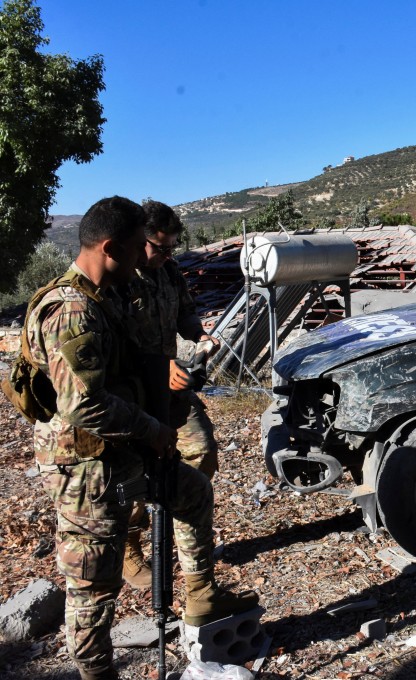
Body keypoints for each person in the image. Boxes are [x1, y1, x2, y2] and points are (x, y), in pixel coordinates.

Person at [24, 197, 257, 680]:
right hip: (83, 467)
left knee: (193, 491)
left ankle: (200, 595)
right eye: (138, 251)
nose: (145, 265)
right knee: (93, 588)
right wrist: (155, 430)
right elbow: (83, 406)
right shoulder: (70, 311)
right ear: (111, 247)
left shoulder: (108, 293)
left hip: (128, 447)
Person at [118, 200, 221, 589]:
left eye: (172, 247)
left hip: (172, 390)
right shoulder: (118, 279)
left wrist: (200, 334)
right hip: (131, 395)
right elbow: (113, 346)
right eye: (160, 247)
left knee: (202, 451)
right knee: (133, 474)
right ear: (137, 240)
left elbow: (186, 314)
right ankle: (131, 544)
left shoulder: (169, 272)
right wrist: (158, 369)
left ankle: (183, 526)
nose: (167, 255)